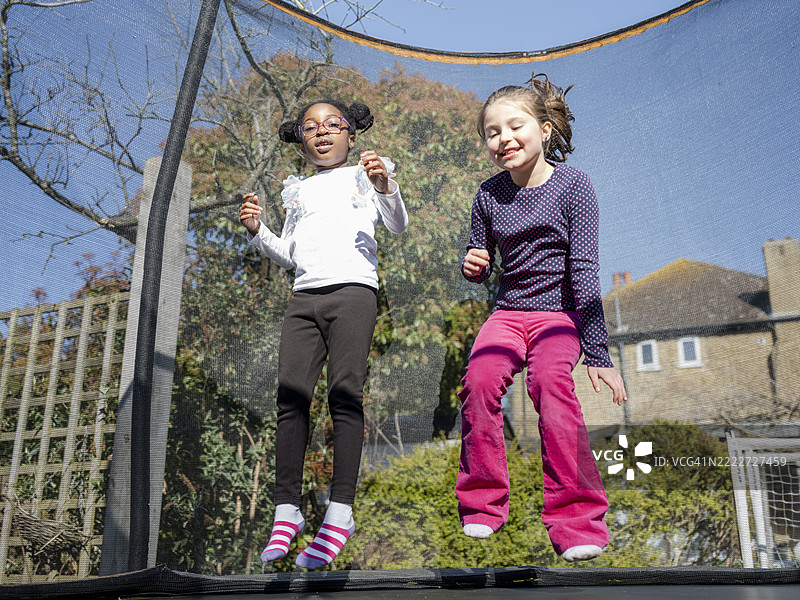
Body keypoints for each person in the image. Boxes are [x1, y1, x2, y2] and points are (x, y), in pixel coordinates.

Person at [456, 74, 627, 563]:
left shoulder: (574, 186)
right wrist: (473, 265)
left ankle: (578, 522)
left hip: (559, 315)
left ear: (545, 130)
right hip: (508, 313)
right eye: (492, 132)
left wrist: (598, 353)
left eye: (515, 126)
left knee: (550, 384)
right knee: (479, 382)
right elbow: (479, 259)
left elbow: (584, 269)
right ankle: (482, 504)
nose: (503, 138)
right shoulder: (488, 195)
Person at [239, 98, 408, 569]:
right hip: (304, 299)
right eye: (310, 127)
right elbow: (290, 254)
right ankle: (286, 509)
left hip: (353, 294)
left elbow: (397, 225)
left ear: (351, 135)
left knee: (344, 395)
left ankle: (339, 511)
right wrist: (258, 231)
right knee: (290, 399)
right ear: (301, 142)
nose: (321, 131)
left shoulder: (366, 175)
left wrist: (384, 186)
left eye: (333, 124)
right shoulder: (299, 190)